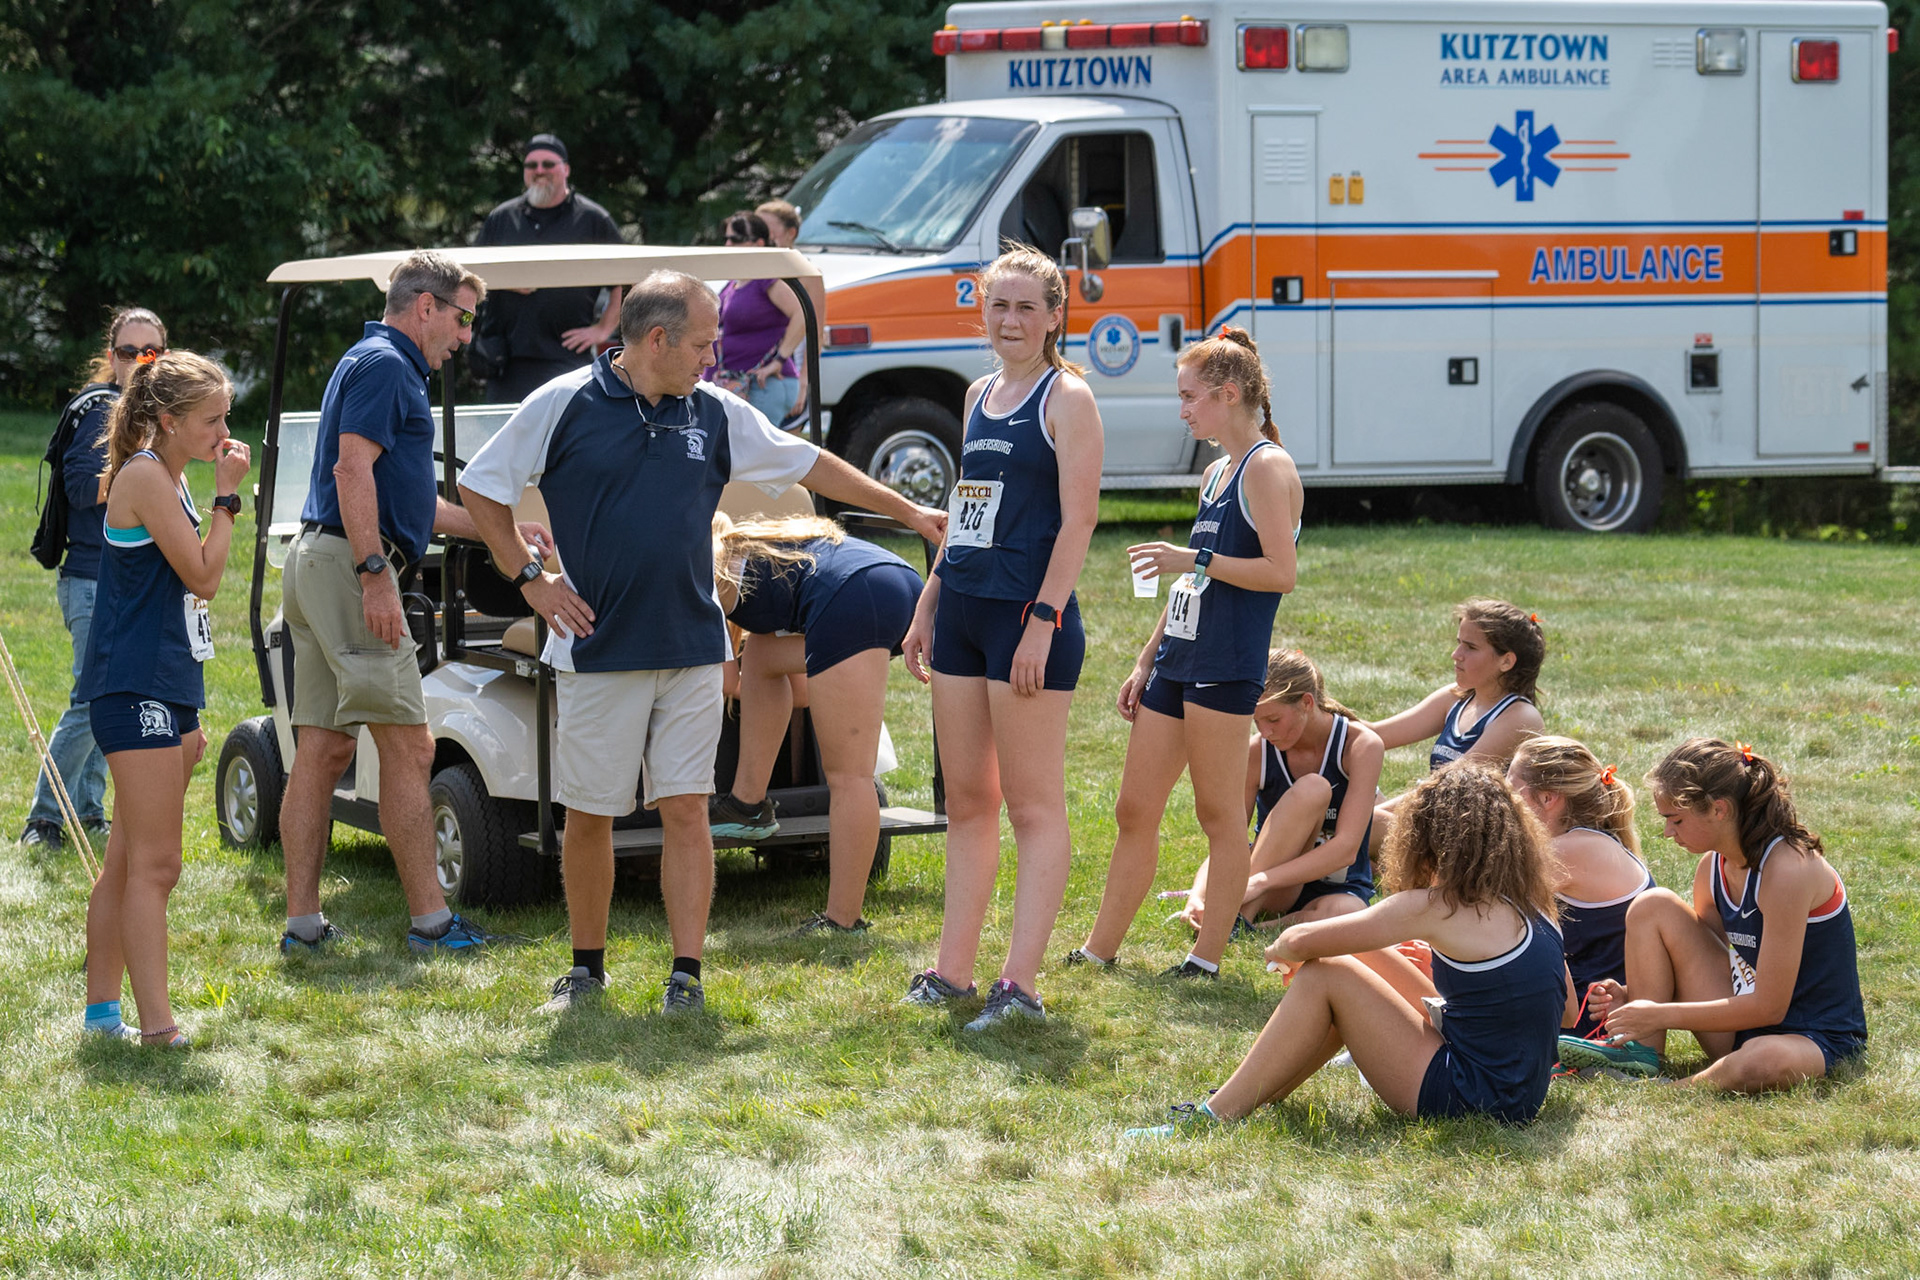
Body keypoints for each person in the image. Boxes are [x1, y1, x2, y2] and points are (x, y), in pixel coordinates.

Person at [457, 269, 945, 1017]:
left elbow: (809, 462)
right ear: (656, 339)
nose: (712, 359)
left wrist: (908, 511)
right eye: (701, 345)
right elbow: (481, 487)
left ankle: (686, 977)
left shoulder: (713, 410)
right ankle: (586, 973)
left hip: (692, 648)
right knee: (590, 816)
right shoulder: (561, 403)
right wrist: (531, 580)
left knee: (687, 811)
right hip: (597, 648)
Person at [280, 250, 551, 956]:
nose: (466, 336)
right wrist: (375, 574)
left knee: (322, 749)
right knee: (411, 745)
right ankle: (433, 924)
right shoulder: (387, 366)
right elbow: (351, 471)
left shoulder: (374, 360)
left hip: (319, 559)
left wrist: (503, 530)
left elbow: (412, 503)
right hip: (350, 568)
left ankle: (303, 926)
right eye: (462, 318)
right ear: (425, 306)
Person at [1128, 766, 1571, 1137]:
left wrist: (1284, 949)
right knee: (1353, 960)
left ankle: (1210, 1118)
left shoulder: (1439, 906)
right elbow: (1567, 1010)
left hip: (1470, 1097)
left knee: (1327, 974)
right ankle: (1252, 1096)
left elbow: (1300, 941)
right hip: (1519, 1093)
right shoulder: (1535, 905)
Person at [898, 245, 1103, 1030]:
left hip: (1026, 621)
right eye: (998, 305)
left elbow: (1079, 521)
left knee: (1033, 805)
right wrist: (929, 600)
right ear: (981, 311)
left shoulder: (1068, 397)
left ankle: (1019, 987)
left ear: (1054, 317)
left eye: (1025, 307)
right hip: (962, 612)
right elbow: (969, 508)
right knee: (968, 800)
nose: (1009, 320)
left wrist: (1043, 622)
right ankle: (953, 973)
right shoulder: (978, 394)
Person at [1067, 329, 1300, 978]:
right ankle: (1099, 949)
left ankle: (1206, 959)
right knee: (1133, 809)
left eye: (1190, 397)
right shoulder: (1215, 473)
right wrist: (1147, 658)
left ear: (1229, 395)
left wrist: (1192, 557)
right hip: (1179, 658)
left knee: (1218, 816)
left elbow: (1281, 573)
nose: (1182, 410)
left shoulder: (1268, 467)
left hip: (1227, 662)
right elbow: (1192, 583)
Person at [77, 351, 250, 1048]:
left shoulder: (169, 476)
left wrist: (188, 710)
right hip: (133, 686)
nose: (224, 433)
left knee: (127, 860)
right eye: (212, 420)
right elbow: (204, 576)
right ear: (169, 421)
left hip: (165, 686)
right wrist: (228, 499)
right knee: (157, 865)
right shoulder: (147, 476)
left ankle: (101, 1015)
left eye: (226, 417)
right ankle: (157, 1030)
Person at [1560, 739, 1867, 1091]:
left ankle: (1672, 1091)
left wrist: (1657, 1014)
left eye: (1676, 819)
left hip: (1813, 1037)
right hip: (1744, 1025)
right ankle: (1640, 1055)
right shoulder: (1712, 867)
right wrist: (1632, 997)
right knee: (1652, 905)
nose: (1668, 832)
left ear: (1719, 809)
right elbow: (1704, 969)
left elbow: (1770, 1008)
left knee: (1763, 1059)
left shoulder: (1788, 870)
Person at [710, 512, 924, 933]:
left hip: (852, 597)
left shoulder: (712, 573)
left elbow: (726, 681)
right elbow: (804, 691)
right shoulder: (767, 542)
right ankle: (747, 804)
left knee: (849, 776)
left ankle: (843, 919)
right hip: (899, 578)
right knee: (763, 657)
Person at [21, 306, 168, 851]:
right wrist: (140, 471)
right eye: (129, 352)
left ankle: (87, 808)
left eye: (151, 352)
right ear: (112, 357)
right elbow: (83, 488)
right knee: (90, 702)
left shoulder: (146, 415)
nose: (140, 362)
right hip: (90, 580)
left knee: (109, 700)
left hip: (124, 581)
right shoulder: (103, 410)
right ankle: (44, 818)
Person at [1164, 648, 1384, 942]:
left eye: (1273, 719)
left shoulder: (1361, 745)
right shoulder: (1257, 751)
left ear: (1307, 703)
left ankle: (1248, 927)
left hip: (1332, 887)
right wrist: (1198, 895)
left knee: (1348, 914)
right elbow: (1227, 839)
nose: (1265, 732)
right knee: (1312, 789)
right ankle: (1237, 916)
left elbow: (1345, 849)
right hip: (1274, 889)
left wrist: (1260, 881)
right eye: (1257, 721)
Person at [1506, 735, 1655, 1039]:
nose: (1504, 801)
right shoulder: (1586, 842)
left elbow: (1479, 901)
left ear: (1548, 798)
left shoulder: (1571, 850)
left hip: (1594, 1025)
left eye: (1510, 790)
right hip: (1591, 1013)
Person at [1368, 600, 1546, 852]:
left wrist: (1365, 818)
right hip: (1433, 817)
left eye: (1470, 647)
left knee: (1361, 823)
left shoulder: (1520, 716)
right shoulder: (1457, 697)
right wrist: (1321, 712)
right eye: (1459, 643)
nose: (1456, 654)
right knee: (1344, 798)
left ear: (1506, 661)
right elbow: (1375, 735)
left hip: (1472, 843)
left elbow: (1448, 785)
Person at [473, 133, 626, 402]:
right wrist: (508, 280)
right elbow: (471, 275)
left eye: (548, 164)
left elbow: (626, 278)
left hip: (567, 358)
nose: (539, 171)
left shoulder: (592, 219)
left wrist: (603, 330)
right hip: (506, 361)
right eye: (532, 165)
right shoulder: (502, 218)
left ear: (566, 169)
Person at [707, 211, 805, 426]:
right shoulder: (734, 283)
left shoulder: (766, 278)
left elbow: (802, 314)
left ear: (759, 243)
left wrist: (779, 361)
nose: (728, 245)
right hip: (738, 386)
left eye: (736, 239)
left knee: (752, 448)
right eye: (726, 238)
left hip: (763, 386)